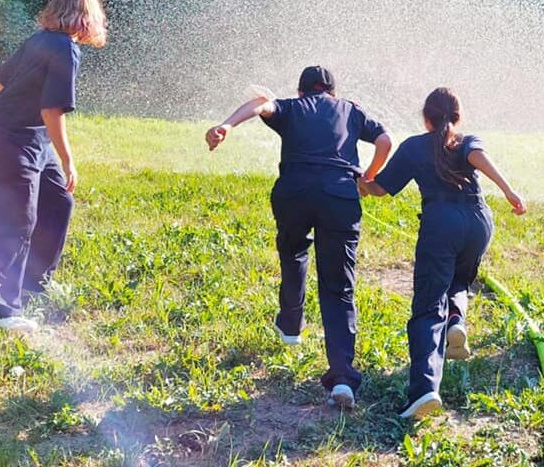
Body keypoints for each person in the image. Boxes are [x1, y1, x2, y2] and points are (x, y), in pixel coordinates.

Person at [206, 66, 392, 409]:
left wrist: (226, 126)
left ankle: (291, 323)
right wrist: (367, 177)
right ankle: (342, 379)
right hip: (340, 196)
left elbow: (261, 103)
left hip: (294, 193)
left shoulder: (292, 107)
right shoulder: (350, 109)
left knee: (293, 253)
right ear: (332, 92)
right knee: (339, 287)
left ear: (302, 90)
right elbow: (385, 140)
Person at [358, 87, 526, 419]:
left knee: (426, 307)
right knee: (460, 281)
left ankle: (424, 390)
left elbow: (381, 188)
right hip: (479, 223)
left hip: (441, 224)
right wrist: (508, 190)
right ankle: (456, 321)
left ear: (426, 117)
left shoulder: (414, 147)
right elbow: (477, 155)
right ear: (457, 116)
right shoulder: (465, 140)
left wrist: (363, 180)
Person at [0, 0, 107, 333]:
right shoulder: (63, 48)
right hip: (12, 143)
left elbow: (1, 83)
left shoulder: (40, 40)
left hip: (27, 140)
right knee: (16, 222)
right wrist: (68, 159)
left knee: (58, 199)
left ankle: (32, 284)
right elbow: (51, 109)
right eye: (95, 15)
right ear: (83, 17)